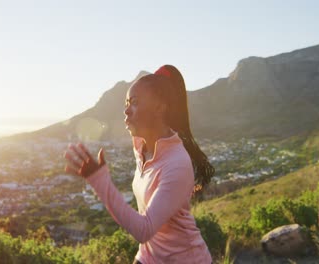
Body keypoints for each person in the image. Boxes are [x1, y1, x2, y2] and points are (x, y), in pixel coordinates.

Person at [64, 65, 215, 263]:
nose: (126, 110)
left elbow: (145, 229)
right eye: (127, 103)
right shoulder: (142, 149)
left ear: (159, 108)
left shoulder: (177, 163)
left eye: (134, 103)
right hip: (149, 256)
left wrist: (99, 181)